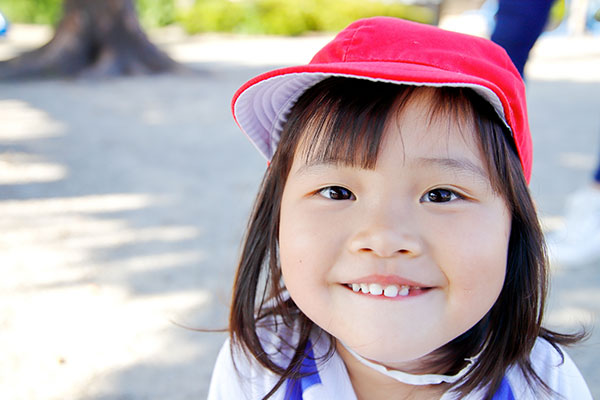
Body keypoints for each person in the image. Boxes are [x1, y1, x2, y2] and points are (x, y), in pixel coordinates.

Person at [208, 17, 591, 399]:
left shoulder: (547, 385)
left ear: (517, 223)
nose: (383, 238)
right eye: (337, 192)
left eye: (441, 195)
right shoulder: (258, 363)